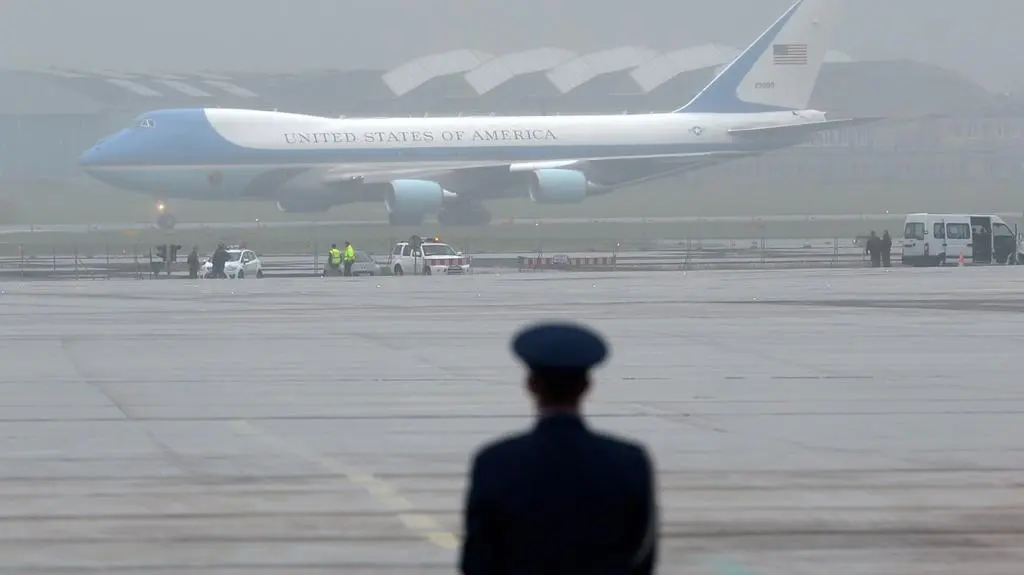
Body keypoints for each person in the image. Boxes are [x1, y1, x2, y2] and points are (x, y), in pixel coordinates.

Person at [459, 322, 657, 575]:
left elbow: (477, 560)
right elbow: (642, 556)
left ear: (531, 384)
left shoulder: (496, 462)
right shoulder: (629, 461)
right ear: (587, 385)